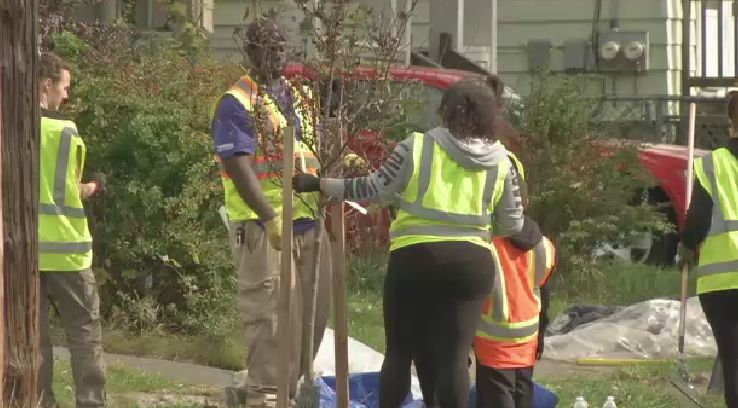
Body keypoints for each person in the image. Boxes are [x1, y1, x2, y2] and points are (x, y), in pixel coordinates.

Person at [293, 79, 524, 408]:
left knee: (400, 352)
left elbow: (374, 188)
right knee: (455, 357)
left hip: (416, 260)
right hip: (471, 265)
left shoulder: (416, 147)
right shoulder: (503, 162)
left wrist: (319, 184)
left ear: (444, 112)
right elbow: (513, 223)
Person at [209, 17, 332, 407]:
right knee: (272, 326)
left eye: (281, 45)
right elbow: (239, 167)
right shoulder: (236, 102)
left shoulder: (300, 95)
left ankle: (285, 394)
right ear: (251, 52)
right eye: (267, 46)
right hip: (266, 229)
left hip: (311, 223)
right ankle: (261, 398)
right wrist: (269, 216)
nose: (276, 52)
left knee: (309, 326)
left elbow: (311, 148)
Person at [38, 52, 107, 408]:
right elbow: (70, 189)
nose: (66, 96)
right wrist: (95, 188)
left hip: (25, 251)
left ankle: (38, 401)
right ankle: (91, 403)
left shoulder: (11, 127)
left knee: (34, 337)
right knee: (83, 333)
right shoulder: (66, 131)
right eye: (64, 87)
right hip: (67, 247)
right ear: (46, 84)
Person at [678, 91, 738, 408]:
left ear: (731, 123)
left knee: (734, 364)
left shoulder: (712, 166)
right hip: (723, 288)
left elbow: (698, 218)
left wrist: (686, 249)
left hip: (722, 288)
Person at [474, 215, 555, 408]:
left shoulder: (484, 241)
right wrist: (541, 335)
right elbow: (544, 293)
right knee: (523, 394)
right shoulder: (543, 244)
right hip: (527, 340)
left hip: (492, 345)